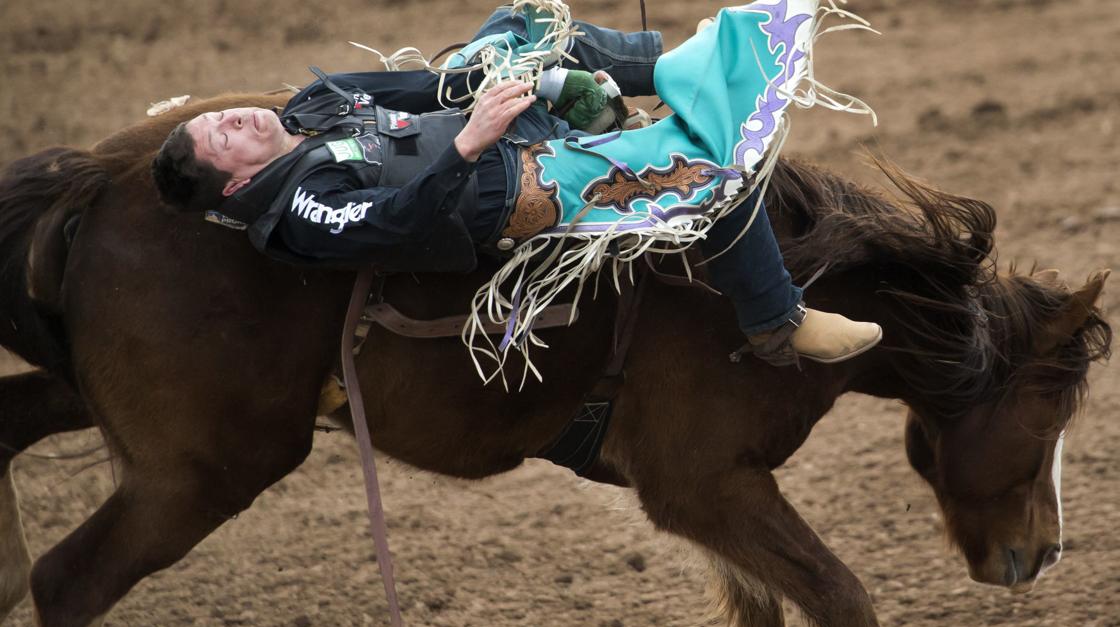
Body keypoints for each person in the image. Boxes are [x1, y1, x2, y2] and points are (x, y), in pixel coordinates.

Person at [151, 6, 882, 367]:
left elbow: (419, 88)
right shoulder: (296, 211)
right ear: (233, 183)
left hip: (489, 124)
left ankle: (676, 71)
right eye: (222, 137)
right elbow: (399, 224)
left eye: (220, 116)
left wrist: (485, 75)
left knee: (529, 19)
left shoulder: (310, 105)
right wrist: (472, 141)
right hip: (505, 187)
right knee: (703, 178)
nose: (234, 117)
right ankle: (777, 321)